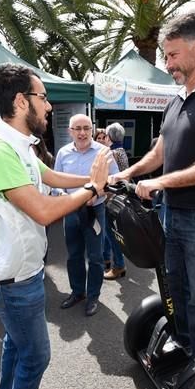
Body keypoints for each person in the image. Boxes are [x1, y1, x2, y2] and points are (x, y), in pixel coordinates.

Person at [0, 63, 111, 389]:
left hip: (20, 272)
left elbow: (48, 177)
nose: (48, 106)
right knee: (35, 355)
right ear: (21, 101)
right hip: (12, 278)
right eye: (43, 97)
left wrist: (98, 179)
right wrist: (93, 189)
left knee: (15, 346)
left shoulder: (16, 145)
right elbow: (43, 208)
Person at [111, 11, 195, 356]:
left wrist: (159, 182)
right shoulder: (175, 101)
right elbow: (160, 150)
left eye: (172, 55)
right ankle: (184, 341)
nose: (167, 63)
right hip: (172, 210)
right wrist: (127, 173)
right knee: (174, 285)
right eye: (165, 56)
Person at [54, 114, 119, 315]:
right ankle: (77, 292)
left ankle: (93, 296)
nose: (82, 133)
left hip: (94, 210)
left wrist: (99, 192)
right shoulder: (63, 153)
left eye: (86, 128)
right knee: (73, 255)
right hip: (70, 209)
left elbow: (114, 180)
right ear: (70, 131)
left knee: (96, 256)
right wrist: (62, 194)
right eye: (78, 128)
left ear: (92, 130)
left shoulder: (104, 152)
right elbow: (56, 182)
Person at [102, 122, 129, 279]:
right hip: (119, 196)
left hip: (112, 197)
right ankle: (107, 259)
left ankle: (118, 264)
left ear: (109, 136)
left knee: (111, 232)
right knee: (109, 231)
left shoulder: (112, 153)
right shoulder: (121, 151)